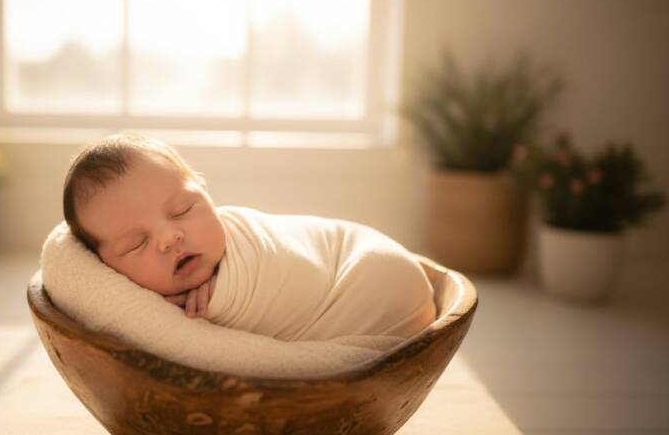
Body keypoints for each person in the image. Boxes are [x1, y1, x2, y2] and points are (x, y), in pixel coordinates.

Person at [62, 133, 436, 341]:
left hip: (368, 272)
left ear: (206, 193)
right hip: (382, 318)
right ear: (104, 267)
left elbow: (294, 268)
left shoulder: (248, 240)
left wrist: (226, 296)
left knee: (383, 279)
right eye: (136, 243)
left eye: (183, 210)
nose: (170, 237)